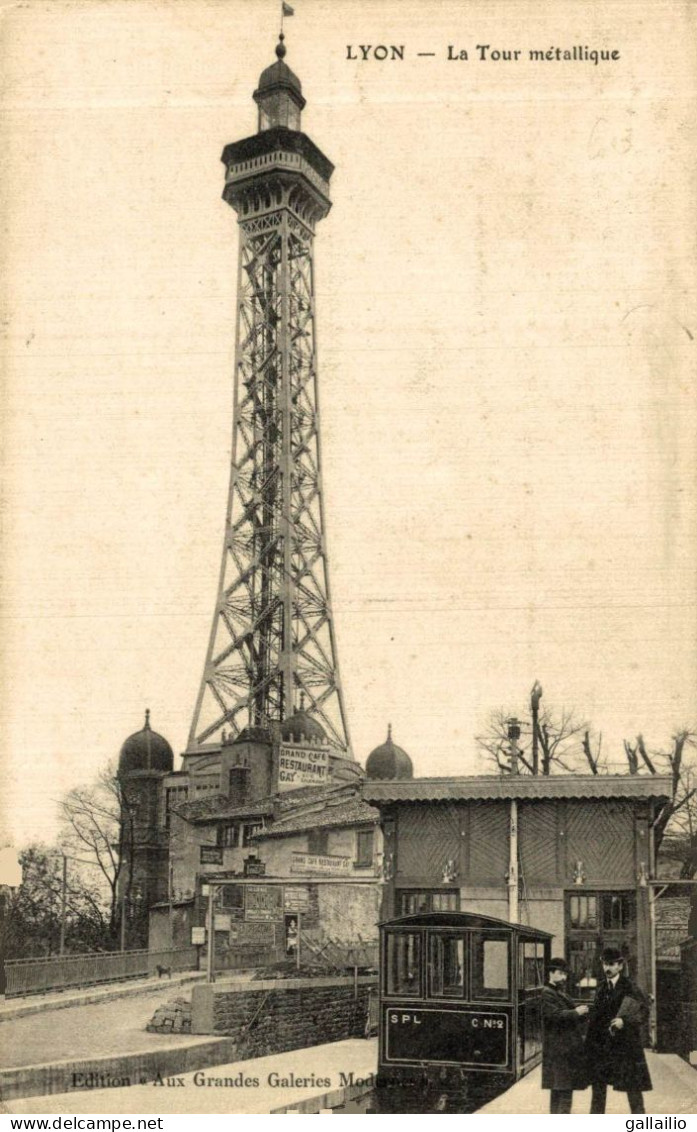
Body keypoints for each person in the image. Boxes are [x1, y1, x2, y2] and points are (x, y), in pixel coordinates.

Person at [585, 947, 652, 1114]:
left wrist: (625, 1021)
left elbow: (644, 1012)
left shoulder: (630, 987)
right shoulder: (601, 988)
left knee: (633, 1091)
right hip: (603, 1047)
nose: (607, 968)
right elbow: (597, 1018)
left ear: (620, 966)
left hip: (626, 1046)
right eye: (605, 964)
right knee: (598, 1091)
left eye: (611, 964)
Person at [541, 957, 589, 1113]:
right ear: (551, 973)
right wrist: (576, 1012)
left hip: (563, 1049)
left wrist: (580, 1013)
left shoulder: (558, 992)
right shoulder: (547, 993)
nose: (564, 977)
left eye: (565, 974)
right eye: (560, 973)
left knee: (558, 1089)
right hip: (560, 1049)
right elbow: (554, 1016)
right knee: (564, 1090)